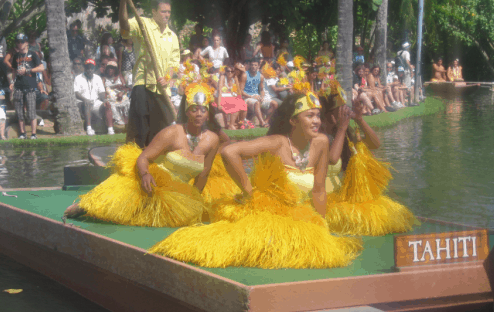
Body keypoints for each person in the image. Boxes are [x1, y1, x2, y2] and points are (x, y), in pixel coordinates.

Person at [148, 90, 363, 269]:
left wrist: (322, 225)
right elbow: (230, 152)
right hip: (269, 214)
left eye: (317, 115)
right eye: (309, 116)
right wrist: (249, 191)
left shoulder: (322, 143)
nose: (316, 121)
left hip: (300, 216)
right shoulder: (276, 142)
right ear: (293, 121)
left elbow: (319, 190)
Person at [64, 83, 220, 227]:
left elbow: (203, 176)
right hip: (151, 185)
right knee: (109, 211)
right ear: (187, 112)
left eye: (203, 110)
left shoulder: (212, 140)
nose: (198, 114)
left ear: (208, 113)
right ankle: (84, 206)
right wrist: (145, 175)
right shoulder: (172, 133)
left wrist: (193, 200)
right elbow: (144, 157)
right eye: (194, 109)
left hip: (177, 196)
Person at [319, 88, 416, 236]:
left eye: (345, 109)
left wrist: (359, 119)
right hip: (325, 197)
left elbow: (375, 144)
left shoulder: (345, 134)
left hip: (344, 194)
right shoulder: (319, 137)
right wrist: (341, 128)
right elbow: (332, 159)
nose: (345, 113)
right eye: (341, 110)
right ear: (329, 115)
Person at [119, 0, 180, 147]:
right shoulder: (143, 24)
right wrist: (123, 1)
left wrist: (168, 80)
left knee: (163, 134)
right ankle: (133, 163)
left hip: (162, 90)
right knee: (138, 131)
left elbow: (175, 65)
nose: (167, 15)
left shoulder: (172, 36)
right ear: (154, 11)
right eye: (163, 11)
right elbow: (124, 27)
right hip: (143, 86)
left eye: (168, 12)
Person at [4, 33, 44, 140]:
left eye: (21, 41)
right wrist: (12, 82)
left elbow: (41, 67)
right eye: (17, 42)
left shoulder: (33, 54)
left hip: (30, 86)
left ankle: (33, 134)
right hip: (18, 86)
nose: (19, 44)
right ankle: (22, 133)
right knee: (19, 111)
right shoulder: (16, 56)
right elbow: (13, 70)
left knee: (31, 111)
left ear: (26, 43)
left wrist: (28, 70)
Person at [74, 59, 115, 135]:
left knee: (107, 105)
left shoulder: (98, 78)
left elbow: (102, 92)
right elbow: (76, 93)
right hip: (82, 103)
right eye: (88, 67)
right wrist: (85, 99)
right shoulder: (78, 78)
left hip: (95, 102)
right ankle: (89, 129)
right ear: (85, 68)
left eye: (91, 67)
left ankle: (110, 129)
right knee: (87, 103)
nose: (89, 69)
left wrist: (105, 100)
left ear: (94, 68)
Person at [217, 65, 247, 130]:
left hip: (232, 98)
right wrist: (219, 104)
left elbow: (238, 91)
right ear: (225, 72)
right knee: (237, 105)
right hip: (223, 98)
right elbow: (220, 92)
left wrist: (239, 98)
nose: (230, 73)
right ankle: (231, 125)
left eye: (232, 71)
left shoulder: (234, 78)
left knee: (243, 104)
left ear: (234, 72)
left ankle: (240, 123)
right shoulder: (222, 77)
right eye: (228, 71)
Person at [102, 61, 129, 126]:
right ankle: (119, 123)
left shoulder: (120, 77)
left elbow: (126, 88)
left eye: (112, 68)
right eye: (108, 68)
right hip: (111, 99)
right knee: (111, 106)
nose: (110, 69)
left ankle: (127, 123)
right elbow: (102, 91)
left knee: (128, 104)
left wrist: (122, 93)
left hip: (121, 97)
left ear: (115, 69)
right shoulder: (104, 79)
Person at [242, 58, 266, 127]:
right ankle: (262, 122)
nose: (253, 67)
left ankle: (267, 120)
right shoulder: (245, 75)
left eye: (255, 65)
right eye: (252, 65)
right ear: (249, 65)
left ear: (258, 66)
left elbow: (261, 90)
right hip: (247, 97)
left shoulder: (261, 76)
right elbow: (241, 91)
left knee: (274, 104)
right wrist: (251, 97)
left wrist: (262, 97)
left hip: (256, 96)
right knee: (257, 103)